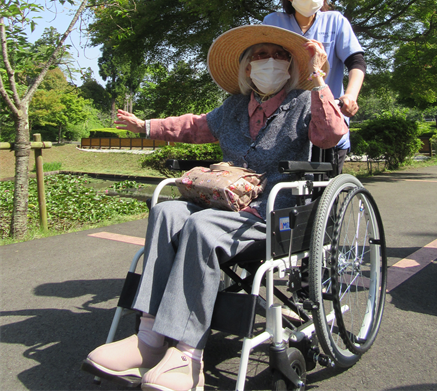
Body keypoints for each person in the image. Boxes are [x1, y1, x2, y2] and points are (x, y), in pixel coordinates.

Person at [83, 24, 347, 391]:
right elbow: (193, 126)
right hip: (224, 203)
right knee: (166, 212)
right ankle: (148, 337)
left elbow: (331, 134)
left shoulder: (303, 102)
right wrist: (145, 126)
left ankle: (189, 355)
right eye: (259, 55)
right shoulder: (234, 106)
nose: (269, 62)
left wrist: (319, 76)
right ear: (246, 67)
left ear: (291, 65)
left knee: (202, 227)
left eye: (279, 55)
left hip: (272, 213)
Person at [263, 0, 366, 173]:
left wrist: (350, 96)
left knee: (324, 192)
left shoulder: (336, 21)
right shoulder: (273, 21)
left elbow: (356, 62)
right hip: (281, 123)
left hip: (328, 119)